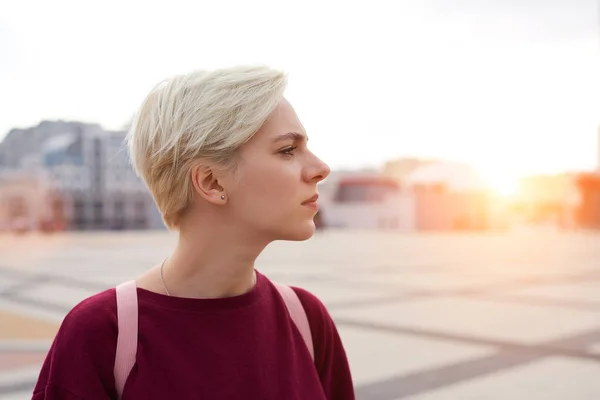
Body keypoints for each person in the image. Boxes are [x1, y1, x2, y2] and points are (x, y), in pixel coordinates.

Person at [32, 65, 355, 399]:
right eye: (288, 150)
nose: (321, 168)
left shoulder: (306, 319)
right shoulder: (101, 334)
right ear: (211, 182)